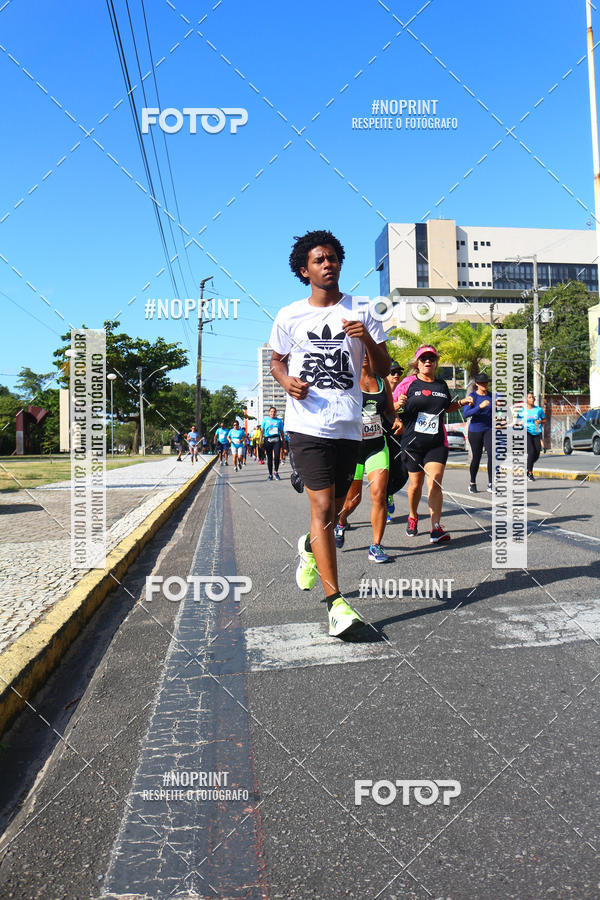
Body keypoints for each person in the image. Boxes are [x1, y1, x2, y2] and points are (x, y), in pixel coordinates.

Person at [269, 229, 390, 638]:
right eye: (319, 260)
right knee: (322, 509)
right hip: (305, 425)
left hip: (349, 425)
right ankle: (335, 604)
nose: (328, 264)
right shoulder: (289, 315)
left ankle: (308, 546)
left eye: (333, 257)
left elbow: (384, 364)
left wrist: (367, 337)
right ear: (305, 270)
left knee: (338, 508)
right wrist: (286, 381)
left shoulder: (364, 309)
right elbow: (276, 362)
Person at [395, 345, 471, 543]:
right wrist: (398, 405)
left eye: (431, 358)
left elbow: (446, 408)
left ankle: (436, 528)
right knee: (415, 485)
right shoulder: (408, 383)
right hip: (412, 443)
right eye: (423, 359)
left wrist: (462, 402)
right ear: (417, 363)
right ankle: (412, 516)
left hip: (436, 442)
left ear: (436, 362)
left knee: (435, 481)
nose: (427, 361)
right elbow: (390, 407)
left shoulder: (441, 385)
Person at [334, 353, 402, 562]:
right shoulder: (348, 382)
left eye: (367, 352)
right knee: (353, 500)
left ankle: (376, 546)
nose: (364, 355)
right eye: (360, 351)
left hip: (377, 446)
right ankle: (341, 521)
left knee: (379, 495)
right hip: (353, 449)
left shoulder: (383, 383)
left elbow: (389, 411)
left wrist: (396, 419)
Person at [463, 373, 493, 493]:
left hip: (489, 429)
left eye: (486, 382)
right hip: (475, 430)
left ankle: (491, 484)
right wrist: (479, 407)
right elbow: (466, 414)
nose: (484, 384)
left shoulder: (492, 396)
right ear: (476, 384)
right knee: (477, 457)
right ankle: (472, 482)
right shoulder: (472, 396)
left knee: (492, 455)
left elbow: (498, 411)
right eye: (481, 383)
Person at [386, 362, 404, 517]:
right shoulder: (379, 390)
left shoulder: (403, 391)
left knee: (403, 473)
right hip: (382, 437)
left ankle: (389, 492)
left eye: (399, 372)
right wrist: (396, 406)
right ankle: (384, 501)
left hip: (401, 438)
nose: (396, 375)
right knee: (384, 472)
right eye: (393, 372)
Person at [517, 391, 546, 481]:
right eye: (529, 397)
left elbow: (544, 420)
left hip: (537, 431)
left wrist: (540, 421)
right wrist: (519, 423)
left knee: (537, 453)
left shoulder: (538, 410)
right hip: (526, 432)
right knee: (531, 451)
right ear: (526, 399)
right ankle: (530, 472)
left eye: (532, 397)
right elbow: (517, 421)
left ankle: (527, 466)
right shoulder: (522, 410)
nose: (532, 399)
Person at [260, 406, 285, 480]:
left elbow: (282, 432)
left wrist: (283, 441)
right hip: (268, 439)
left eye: (274, 411)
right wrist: (260, 440)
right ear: (269, 413)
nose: (273, 413)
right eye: (271, 411)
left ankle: (276, 472)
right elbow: (262, 431)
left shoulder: (279, 421)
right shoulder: (265, 420)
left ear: (275, 413)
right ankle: (270, 474)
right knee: (269, 457)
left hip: (276, 439)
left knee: (277, 456)